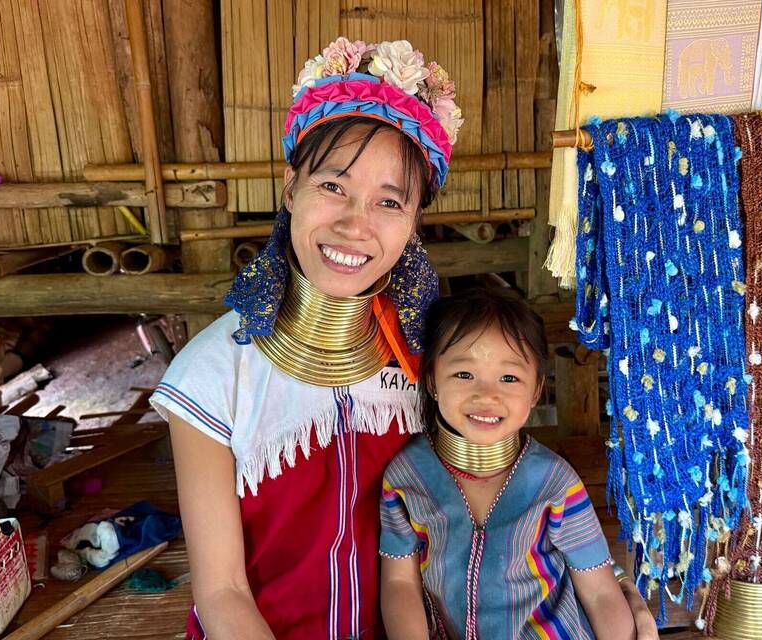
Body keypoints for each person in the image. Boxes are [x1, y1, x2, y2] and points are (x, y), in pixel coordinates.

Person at [151, 37, 657, 640]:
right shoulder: (210, 375)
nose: (354, 224)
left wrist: (604, 593)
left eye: (389, 201)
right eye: (333, 186)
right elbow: (222, 591)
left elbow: (499, 498)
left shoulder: (434, 358)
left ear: (415, 219)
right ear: (291, 187)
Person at [379, 288, 643, 640]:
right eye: (463, 374)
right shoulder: (406, 477)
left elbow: (599, 589)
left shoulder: (554, 482)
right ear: (431, 381)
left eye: (509, 378)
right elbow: (400, 582)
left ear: (535, 391)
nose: (487, 395)